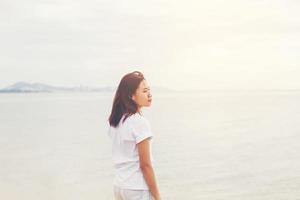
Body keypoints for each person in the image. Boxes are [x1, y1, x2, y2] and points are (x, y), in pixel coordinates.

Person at [107, 71, 161, 200]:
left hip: (120, 186)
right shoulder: (139, 122)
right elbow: (145, 165)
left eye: (149, 90)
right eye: (144, 91)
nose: (149, 94)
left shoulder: (115, 121)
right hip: (137, 188)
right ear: (131, 95)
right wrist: (157, 196)